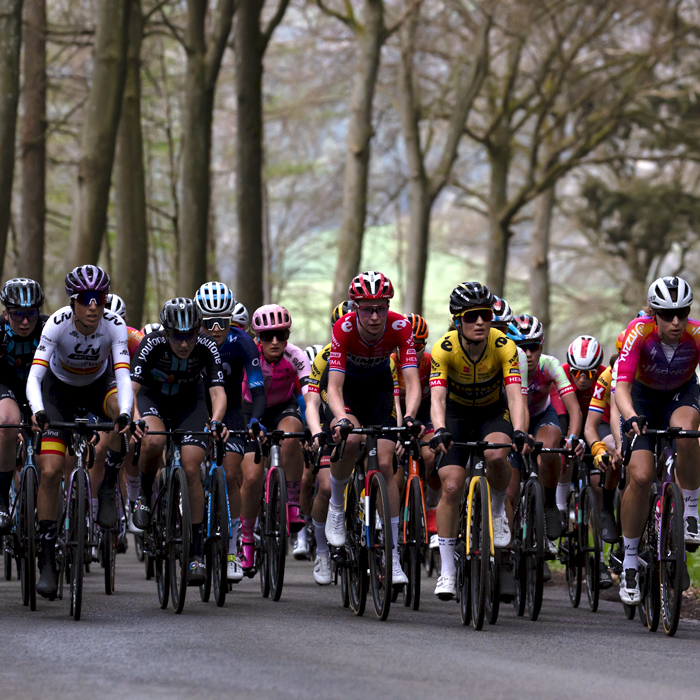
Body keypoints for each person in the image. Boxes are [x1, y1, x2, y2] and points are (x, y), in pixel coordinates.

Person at [27, 265, 134, 599]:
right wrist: (38, 410)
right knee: (49, 470)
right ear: (73, 302)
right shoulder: (56, 324)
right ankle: (47, 558)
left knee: (119, 413)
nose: (93, 306)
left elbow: (123, 377)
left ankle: (106, 488)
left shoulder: (113, 325)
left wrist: (127, 413)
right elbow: (35, 377)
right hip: (58, 391)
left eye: (99, 299)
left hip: (96, 387)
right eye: (86, 299)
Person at [326, 271, 422, 587]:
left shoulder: (400, 327)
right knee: (351, 439)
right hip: (349, 390)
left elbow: (411, 379)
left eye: (380, 307)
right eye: (367, 308)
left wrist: (408, 416)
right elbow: (335, 387)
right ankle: (337, 506)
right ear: (356, 308)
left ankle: (392, 558)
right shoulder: (344, 328)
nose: (374, 315)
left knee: (385, 462)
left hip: (379, 389)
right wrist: (340, 417)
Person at [130, 297, 228, 584]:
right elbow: (132, 388)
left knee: (191, 467)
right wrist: (136, 418)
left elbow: (217, 392)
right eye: (177, 336)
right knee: (153, 442)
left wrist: (217, 419)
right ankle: (145, 496)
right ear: (166, 331)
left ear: (199, 330)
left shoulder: (207, 346)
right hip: (152, 399)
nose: (184, 344)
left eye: (190, 336)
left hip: (189, 403)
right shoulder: (151, 344)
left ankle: (196, 553)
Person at [615, 276, 700, 604]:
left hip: (680, 394)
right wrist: (631, 415)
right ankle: (631, 561)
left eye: (682, 312)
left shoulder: (694, 334)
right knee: (640, 476)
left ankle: (691, 509)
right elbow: (620, 386)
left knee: (688, 430)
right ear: (654, 314)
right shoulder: (639, 332)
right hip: (642, 400)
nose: (676, 321)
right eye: (667, 314)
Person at [195, 281, 265, 581]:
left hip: (233, 411)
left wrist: (255, 420)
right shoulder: (189, 342)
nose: (214, 329)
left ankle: (233, 550)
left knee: (232, 473)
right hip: (196, 408)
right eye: (207, 323)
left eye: (221, 322)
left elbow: (257, 389)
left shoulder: (242, 342)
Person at [238, 304, 311, 571]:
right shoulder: (250, 355)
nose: (275, 341)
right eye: (268, 336)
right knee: (253, 476)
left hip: (282, 407)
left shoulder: (296, 356)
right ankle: (247, 539)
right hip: (249, 411)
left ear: (288, 334)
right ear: (258, 338)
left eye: (281, 334)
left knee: (293, 433)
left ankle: (292, 501)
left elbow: (308, 396)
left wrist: (315, 425)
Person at [506, 315, 584, 542]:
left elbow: (574, 409)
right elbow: (517, 406)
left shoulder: (549, 365)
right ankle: (507, 554)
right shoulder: (506, 366)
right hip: (512, 419)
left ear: (541, 347)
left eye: (533, 347)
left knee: (551, 446)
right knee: (509, 493)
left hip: (541, 415)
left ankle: (549, 503)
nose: (528, 354)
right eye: (522, 347)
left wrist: (573, 438)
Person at [0, 278, 47, 532]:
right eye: (18, 314)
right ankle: (2, 498)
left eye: (31, 313)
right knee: (7, 423)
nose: (26, 321)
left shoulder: (50, 326)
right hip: (6, 388)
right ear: (6, 313)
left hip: (41, 390)